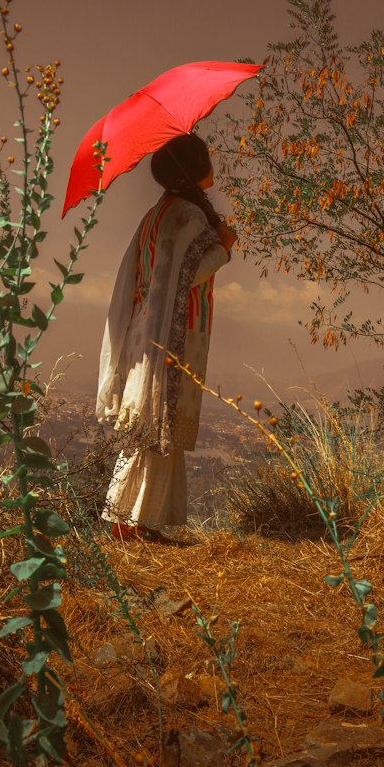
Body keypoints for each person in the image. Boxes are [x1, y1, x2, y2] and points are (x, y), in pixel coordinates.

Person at [96, 133, 236, 542]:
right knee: (157, 420)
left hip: (148, 329)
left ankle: (137, 521)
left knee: (152, 422)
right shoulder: (186, 214)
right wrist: (224, 248)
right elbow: (188, 276)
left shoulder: (159, 212)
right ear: (193, 168)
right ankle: (128, 524)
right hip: (171, 336)